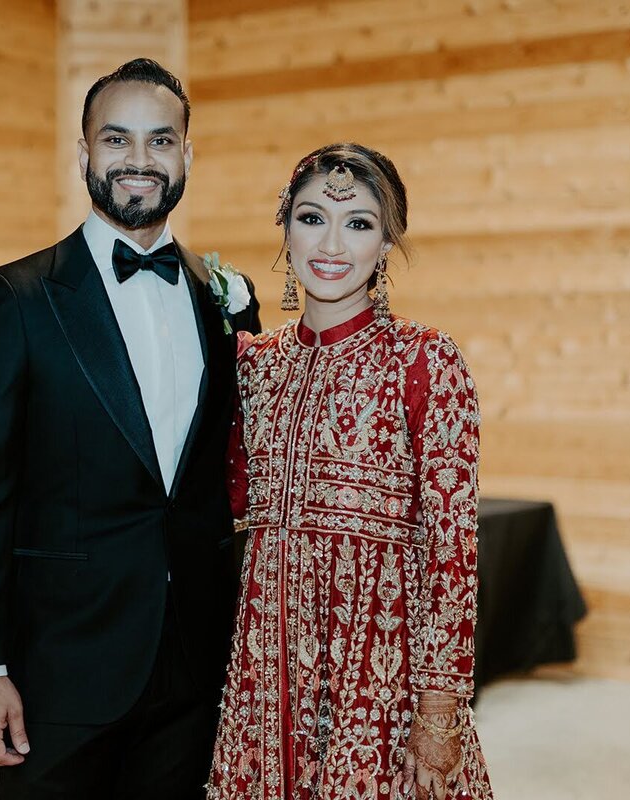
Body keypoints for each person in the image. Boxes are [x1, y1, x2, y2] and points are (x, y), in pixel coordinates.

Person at [0, 58, 260, 800]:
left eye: (160, 141)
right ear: (84, 154)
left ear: (187, 155)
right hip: (64, 668)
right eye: (116, 141)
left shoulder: (227, 302)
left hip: (196, 662)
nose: (139, 161)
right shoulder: (13, 300)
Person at [207, 143, 494, 800]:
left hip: (378, 685)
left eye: (359, 223)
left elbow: (451, 552)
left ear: (387, 241)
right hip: (265, 680)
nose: (332, 242)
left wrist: (439, 714)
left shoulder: (425, 363)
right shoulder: (254, 366)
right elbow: (222, 501)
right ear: (285, 225)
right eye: (312, 218)